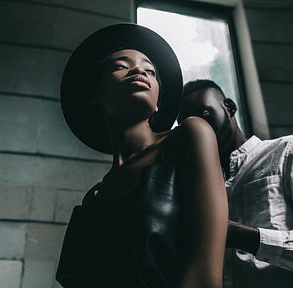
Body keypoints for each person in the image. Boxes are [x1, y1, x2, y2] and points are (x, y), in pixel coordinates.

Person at [56, 25, 228, 288]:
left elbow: (205, 275)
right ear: (96, 94)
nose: (139, 71)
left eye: (150, 71)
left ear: (158, 100)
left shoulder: (189, 136)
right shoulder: (93, 199)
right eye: (121, 66)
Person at [177, 79, 293, 288]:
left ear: (229, 107)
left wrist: (243, 237)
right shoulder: (193, 189)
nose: (198, 128)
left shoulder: (288, 150)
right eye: (188, 124)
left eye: (204, 114)